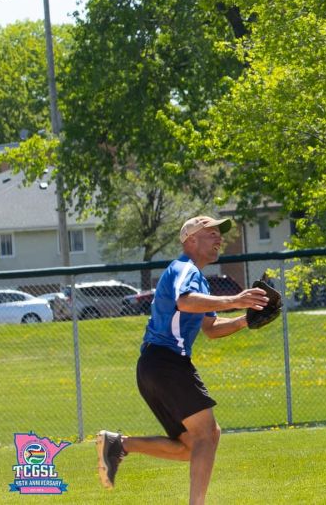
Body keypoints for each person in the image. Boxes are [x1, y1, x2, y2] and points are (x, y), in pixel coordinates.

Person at [96, 216, 270, 505]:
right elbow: (185, 302)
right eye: (211, 233)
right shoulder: (184, 268)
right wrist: (236, 299)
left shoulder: (197, 277)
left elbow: (211, 330)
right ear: (190, 240)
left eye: (219, 234)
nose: (219, 239)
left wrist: (245, 320)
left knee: (191, 445)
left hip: (155, 365)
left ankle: (120, 445)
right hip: (166, 362)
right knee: (207, 434)